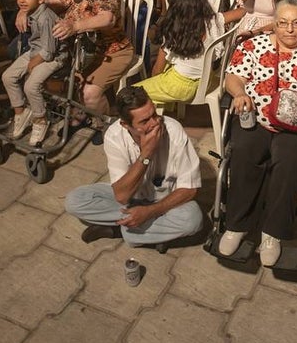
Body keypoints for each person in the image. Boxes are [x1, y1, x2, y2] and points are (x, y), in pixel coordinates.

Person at [220, 0, 297, 267]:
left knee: (288, 160)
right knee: (244, 151)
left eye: (296, 23)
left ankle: (272, 233)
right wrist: (239, 93)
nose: (289, 29)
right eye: (284, 23)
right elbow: (233, 77)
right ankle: (237, 225)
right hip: (258, 118)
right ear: (274, 24)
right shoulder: (253, 45)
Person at [65, 86, 204, 246]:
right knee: (75, 201)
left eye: (154, 115)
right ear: (125, 125)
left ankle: (121, 230)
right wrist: (146, 154)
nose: (155, 123)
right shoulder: (114, 136)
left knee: (192, 219)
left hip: (165, 198)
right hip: (132, 196)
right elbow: (122, 196)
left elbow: (190, 189)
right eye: (145, 121)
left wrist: (150, 212)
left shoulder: (173, 130)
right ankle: (146, 230)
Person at [45, 0, 132, 125]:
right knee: (54, 79)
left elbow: (107, 18)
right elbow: (55, 2)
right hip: (84, 53)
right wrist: (28, 8)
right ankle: (80, 115)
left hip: (113, 52)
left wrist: (75, 25)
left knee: (89, 93)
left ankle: (104, 124)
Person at [137, 0, 225, 110]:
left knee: (129, 94)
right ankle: (168, 107)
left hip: (179, 87)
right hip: (205, 81)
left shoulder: (174, 31)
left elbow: (157, 69)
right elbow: (239, 13)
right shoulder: (212, 21)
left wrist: (154, 82)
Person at [0, 0, 60, 146]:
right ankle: (21, 113)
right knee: (8, 76)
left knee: (30, 86)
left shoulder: (45, 17)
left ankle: (40, 119)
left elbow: (49, 51)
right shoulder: (31, 11)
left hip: (53, 56)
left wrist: (33, 63)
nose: (22, 1)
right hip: (36, 50)